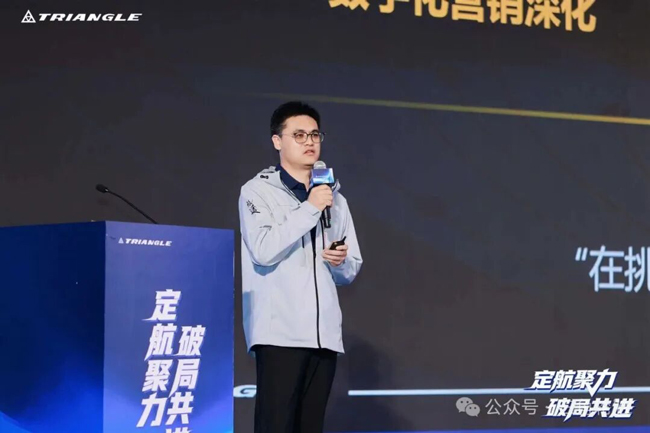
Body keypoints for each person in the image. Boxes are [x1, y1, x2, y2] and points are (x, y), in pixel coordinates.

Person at [238, 101, 363, 433]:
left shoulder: (335, 198)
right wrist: (309, 208)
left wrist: (340, 262)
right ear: (277, 141)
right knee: (276, 425)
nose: (309, 141)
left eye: (315, 134)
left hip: (324, 337)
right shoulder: (257, 191)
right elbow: (263, 251)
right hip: (279, 334)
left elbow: (350, 268)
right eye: (299, 135)